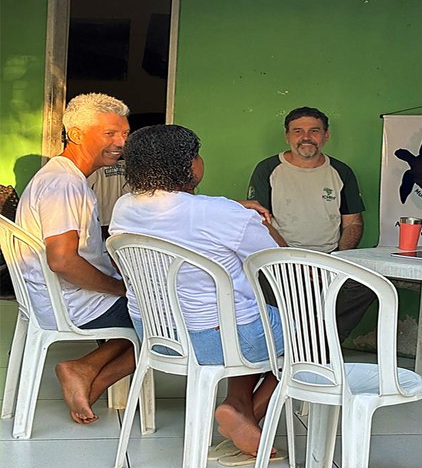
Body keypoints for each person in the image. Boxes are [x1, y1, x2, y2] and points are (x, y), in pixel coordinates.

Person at [110, 124, 285, 460]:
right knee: (310, 336)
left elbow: (182, 215)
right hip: (221, 338)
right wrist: (262, 223)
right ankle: (245, 412)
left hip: (160, 335)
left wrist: (233, 209)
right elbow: (278, 264)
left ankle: (238, 407)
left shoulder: (124, 207)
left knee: (241, 312)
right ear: (188, 164)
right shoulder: (222, 213)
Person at [16, 92, 135, 425]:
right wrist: (119, 288)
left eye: (124, 133)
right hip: (70, 303)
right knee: (173, 317)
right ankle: (81, 370)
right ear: (78, 134)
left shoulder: (64, 176)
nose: (120, 142)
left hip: (55, 297)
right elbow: (63, 261)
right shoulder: (64, 185)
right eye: (110, 133)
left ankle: (89, 377)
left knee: (152, 303)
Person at [247, 106, 376, 341]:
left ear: (326, 135)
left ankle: (318, 339)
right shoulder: (268, 169)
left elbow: (353, 223)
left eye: (314, 131)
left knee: (366, 286)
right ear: (287, 136)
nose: (306, 137)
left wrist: (336, 261)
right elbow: (260, 221)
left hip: (329, 259)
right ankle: (303, 341)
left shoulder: (341, 171)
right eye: (298, 131)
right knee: (259, 281)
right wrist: (294, 263)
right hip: (281, 261)